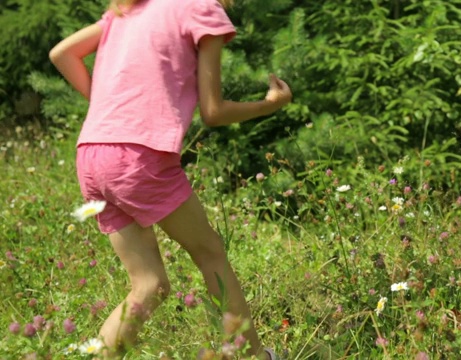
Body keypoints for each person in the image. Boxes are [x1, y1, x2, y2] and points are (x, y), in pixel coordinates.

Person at [49, 0, 291, 358]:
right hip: (138, 158)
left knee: (149, 284)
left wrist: (107, 106)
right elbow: (214, 112)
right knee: (210, 253)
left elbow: (62, 53)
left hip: (91, 154)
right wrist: (270, 104)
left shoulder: (128, 8)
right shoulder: (199, 9)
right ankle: (252, 356)